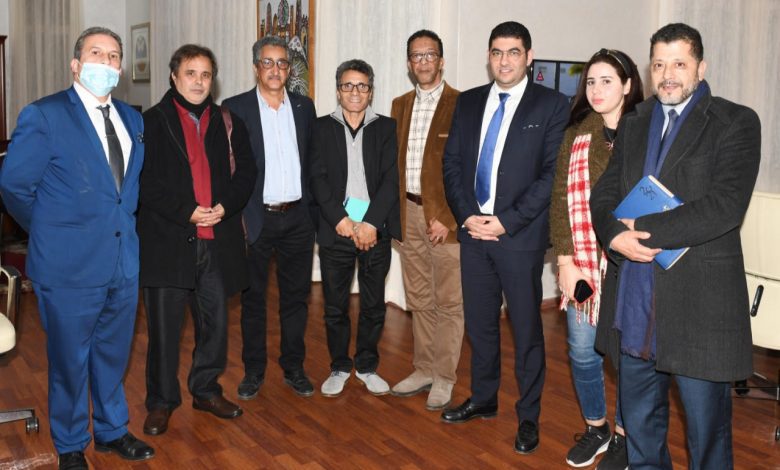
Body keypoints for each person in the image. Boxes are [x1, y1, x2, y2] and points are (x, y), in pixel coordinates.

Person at [590, 23, 761, 469]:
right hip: (635, 305)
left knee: (708, 443)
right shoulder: (635, 121)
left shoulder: (736, 121)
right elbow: (604, 194)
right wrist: (614, 235)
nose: (668, 75)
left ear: (701, 68)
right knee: (642, 439)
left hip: (698, 311)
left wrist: (639, 228)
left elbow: (724, 207)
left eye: (679, 64)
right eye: (659, 64)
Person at [0, 27, 154, 469]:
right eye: (96, 53)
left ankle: (112, 430)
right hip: (67, 267)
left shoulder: (133, 120)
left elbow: (125, 193)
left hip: (122, 263)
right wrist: (51, 232)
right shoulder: (45, 115)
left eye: (114, 55)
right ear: (75, 64)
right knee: (69, 362)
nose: (106, 62)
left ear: (121, 68)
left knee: (113, 354)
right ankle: (70, 444)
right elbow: (14, 186)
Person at [441, 21, 569, 454]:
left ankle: (528, 416)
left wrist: (506, 221)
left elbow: (551, 175)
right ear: (488, 57)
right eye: (497, 52)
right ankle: (483, 398)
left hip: (518, 238)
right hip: (473, 234)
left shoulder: (552, 105)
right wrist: (468, 215)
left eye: (514, 52)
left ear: (529, 57)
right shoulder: (469, 101)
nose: (505, 60)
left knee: (527, 330)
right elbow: (452, 164)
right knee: (479, 325)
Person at [138, 44, 257, 435]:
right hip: (168, 241)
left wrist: (225, 206)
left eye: (206, 75)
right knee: (164, 331)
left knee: (215, 325)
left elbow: (247, 174)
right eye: (191, 73)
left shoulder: (228, 122)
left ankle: (206, 390)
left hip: (217, 240)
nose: (198, 81)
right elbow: (144, 182)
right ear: (174, 76)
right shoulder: (150, 122)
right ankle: (161, 401)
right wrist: (185, 210)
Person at [549, 48, 643, 469]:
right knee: (583, 350)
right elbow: (559, 199)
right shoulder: (577, 133)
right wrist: (565, 262)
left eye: (607, 81)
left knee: (627, 357)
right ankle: (597, 427)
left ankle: (624, 435)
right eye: (591, 81)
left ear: (627, 85)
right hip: (584, 263)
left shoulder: (646, 130)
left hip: (631, 265)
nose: (597, 89)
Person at [223, 36, 318, 400]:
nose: (275, 70)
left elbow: (312, 160)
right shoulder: (235, 108)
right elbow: (228, 168)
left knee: (296, 299)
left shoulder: (304, 107)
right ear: (256, 68)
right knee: (253, 300)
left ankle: (294, 367)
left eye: (281, 63)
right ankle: (254, 371)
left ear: (289, 69)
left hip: (298, 219)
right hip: (255, 218)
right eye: (268, 62)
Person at [310, 59, 401, 398]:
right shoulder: (320, 128)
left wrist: (371, 223)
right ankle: (338, 366)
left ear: (370, 91)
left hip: (375, 231)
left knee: (373, 305)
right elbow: (317, 178)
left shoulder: (387, 127)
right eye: (347, 85)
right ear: (338, 90)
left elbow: (391, 180)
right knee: (335, 306)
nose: (354, 92)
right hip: (336, 229)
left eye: (362, 86)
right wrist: (341, 220)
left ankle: (366, 366)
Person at [389, 29, 463, 411]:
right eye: (416, 56)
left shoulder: (461, 104)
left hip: (443, 219)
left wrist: (448, 218)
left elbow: (468, 170)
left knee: (449, 301)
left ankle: (445, 377)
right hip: (408, 214)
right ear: (409, 63)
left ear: (441, 61)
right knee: (419, 299)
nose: (423, 62)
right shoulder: (399, 105)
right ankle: (424, 369)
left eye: (429, 55)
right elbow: (392, 165)